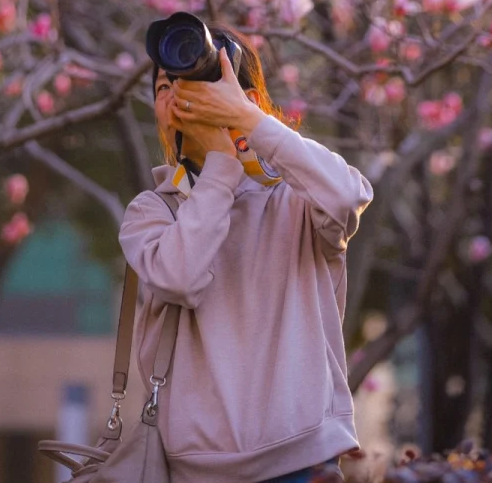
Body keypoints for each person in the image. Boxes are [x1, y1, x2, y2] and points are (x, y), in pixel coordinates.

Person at [118, 25, 374, 483]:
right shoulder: (153, 211)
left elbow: (345, 196)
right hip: (197, 470)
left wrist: (250, 122)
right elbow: (181, 277)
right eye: (164, 86)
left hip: (303, 459)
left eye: (200, 82)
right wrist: (220, 169)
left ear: (246, 97)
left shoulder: (296, 197)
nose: (179, 93)